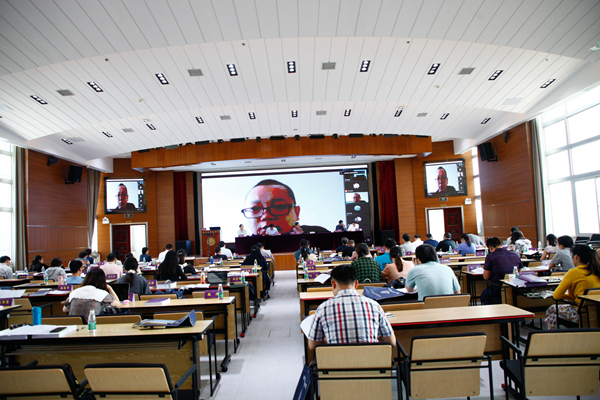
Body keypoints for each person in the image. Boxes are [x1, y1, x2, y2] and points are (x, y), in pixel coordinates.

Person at [306, 265, 395, 351]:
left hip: (336, 360)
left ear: (333, 284)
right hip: (370, 360)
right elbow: (391, 342)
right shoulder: (374, 305)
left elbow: (312, 345)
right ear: (356, 284)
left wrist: (329, 343)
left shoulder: (323, 309)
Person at [241, 179, 328, 235]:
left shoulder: (320, 234)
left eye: (279, 206)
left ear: (296, 212)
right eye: (255, 209)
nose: (266, 216)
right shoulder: (244, 246)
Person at [545, 245, 600, 329]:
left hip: (580, 312)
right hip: (595, 313)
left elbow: (556, 296)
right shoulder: (596, 270)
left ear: (576, 257)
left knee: (552, 310)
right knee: (553, 316)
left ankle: (556, 334)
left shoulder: (573, 272)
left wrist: (571, 297)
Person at [481, 237, 523, 304]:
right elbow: (520, 271)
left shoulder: (490, 256)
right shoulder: (515, 254)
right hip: (515, 288)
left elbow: (486, 277)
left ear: (490, 248)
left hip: (498, 288)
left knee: (484, 296)